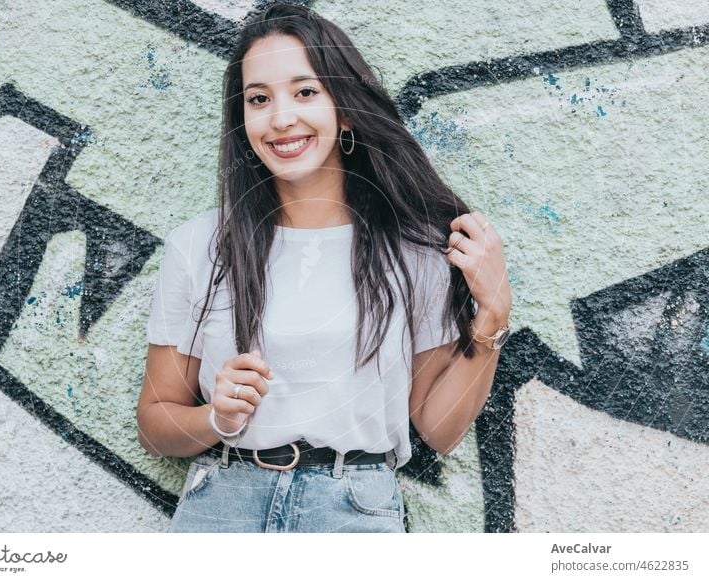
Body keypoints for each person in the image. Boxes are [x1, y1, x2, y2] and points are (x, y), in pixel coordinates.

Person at [136, 4, 512, 533]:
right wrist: (215, 418)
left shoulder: (415, 251)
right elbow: (156, 423)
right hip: (222, 508)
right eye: (259, 99)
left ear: (347, 109)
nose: (281, 117)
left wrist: (492, 313)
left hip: (354, 513)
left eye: (305, 92)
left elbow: (439, 429)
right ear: (243, 122)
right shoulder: (199, 247)